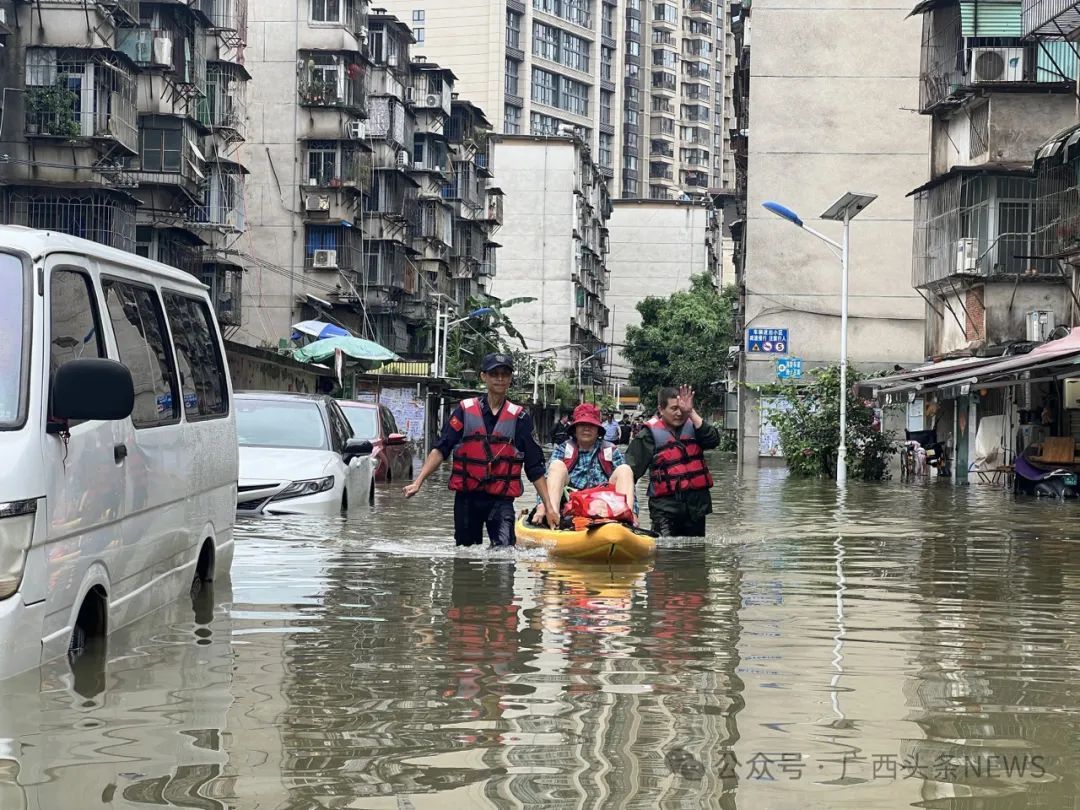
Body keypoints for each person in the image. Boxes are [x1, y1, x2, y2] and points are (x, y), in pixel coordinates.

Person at [403, 353, 558, 545]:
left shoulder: (521, 418)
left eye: (505, 374)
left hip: (501, 500)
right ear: (483, 376)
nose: (500, 379)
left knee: (504, 557)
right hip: (467, 498)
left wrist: (549, 507)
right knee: (465, 557)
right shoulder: (465, 410)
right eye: (494, 374)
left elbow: (534, 468)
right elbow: (442, 449)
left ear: (510, 378)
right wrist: (418, 482)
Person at [625, 385, 719, 537]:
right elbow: (629, 473)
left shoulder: (695, 427)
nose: (679, 413)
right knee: (665, 553)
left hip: (695, 507)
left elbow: (713, 440)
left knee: (695, 555)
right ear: (661, 409)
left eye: (682, 408)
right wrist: (630, 510)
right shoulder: (648, 435)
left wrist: (691, 412)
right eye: (674, 408)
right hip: (664, 508)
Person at [533, 402, 636, 527]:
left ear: (598, 430)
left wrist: (635, 512)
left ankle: (628, 519)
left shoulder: (611, 450)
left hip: (603, 504)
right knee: (556, 465)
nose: (586, 428)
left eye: (591, 425)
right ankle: (553, 516)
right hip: (570, 504)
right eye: (582, 424)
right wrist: (541, 506)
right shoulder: (563, 449)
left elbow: (628, 485)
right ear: (575, 429)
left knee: (625, 470)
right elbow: (546, 479)